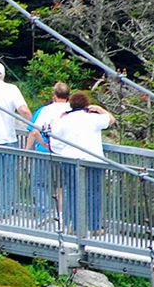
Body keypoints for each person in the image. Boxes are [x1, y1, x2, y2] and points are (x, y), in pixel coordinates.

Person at [44, 92, 116, 234]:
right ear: (86, 105)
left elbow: (54, 140)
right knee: (93, 193)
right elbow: (111, 120)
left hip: (70, 160)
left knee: (72, 193)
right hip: (93, 160)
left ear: (71, 104)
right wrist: (99, 109)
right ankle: (95, 226)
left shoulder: (63, 120)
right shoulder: (93, 118)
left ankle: (76, 227)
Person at [0, 61, 32, 214]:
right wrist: (34, 126)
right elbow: (23, 110)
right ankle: (7, 206)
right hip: (9, 138)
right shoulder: (12, 89)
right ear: (3, 75)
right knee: (9, 175)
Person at [24, 82, 72, 222]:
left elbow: (34, 131)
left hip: (44, 152)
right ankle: (63, 215)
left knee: (40, 183)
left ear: (54, 96)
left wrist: (31, 149)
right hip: (66, 153)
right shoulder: (73, 110)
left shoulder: (45, 110)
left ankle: (44, 213)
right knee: (63, 185)